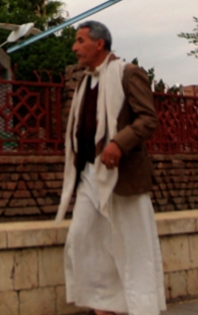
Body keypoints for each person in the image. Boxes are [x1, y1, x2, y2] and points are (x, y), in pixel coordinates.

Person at [56, 21, 166, 315]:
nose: (74, 48)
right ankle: (104, 305)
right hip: (90, 175)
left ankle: (141, 307)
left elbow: (147, 119)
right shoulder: (85, 82)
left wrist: (118, 143)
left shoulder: (128, 74)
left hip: (123, 176)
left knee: (133, 246)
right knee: (83, 238)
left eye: (80, 41)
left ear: (99, 44)